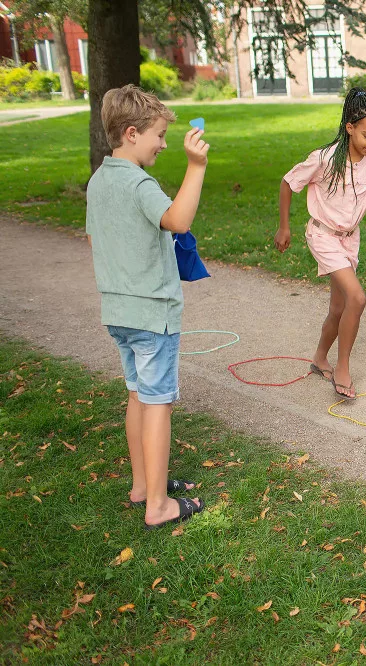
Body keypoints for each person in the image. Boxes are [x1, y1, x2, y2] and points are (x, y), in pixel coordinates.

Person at [85, 84, 209, 529]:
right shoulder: (140, 183)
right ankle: (158, 506)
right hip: (152, 315)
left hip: (118, 312)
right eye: (159, 135)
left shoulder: (99, 180)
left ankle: (143, 485)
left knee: (138, 395)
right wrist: (196, 167)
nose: (163, 144)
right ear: (132, 133)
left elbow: (96, 239)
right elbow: (178, 220)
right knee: (158, 403)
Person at [274, 88, 366, 399]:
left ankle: (319, 359)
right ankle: (343, 367)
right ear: (350, 128)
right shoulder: (325, 158)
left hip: (349, 241)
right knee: (357, 298)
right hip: (323, 235)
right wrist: (284, 227)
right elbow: (288, 183)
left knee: (339, 308)